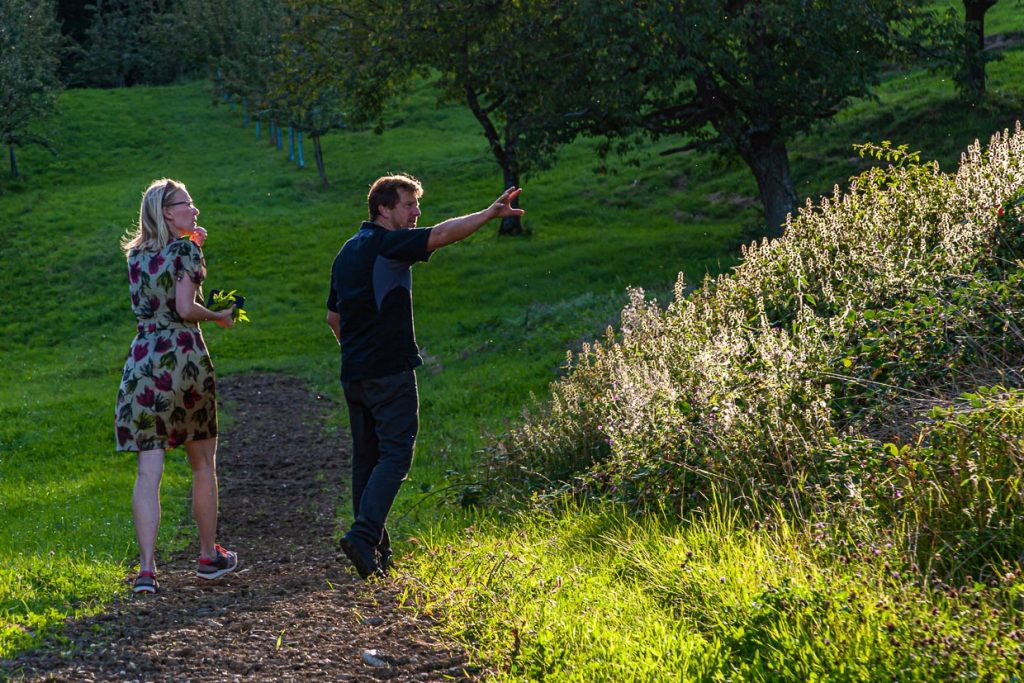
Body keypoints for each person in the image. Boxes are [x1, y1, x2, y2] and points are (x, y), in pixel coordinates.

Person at [326, 173, 523, 579]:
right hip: (388, 371)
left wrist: (360, 352)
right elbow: (443, 234)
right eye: (408, 205)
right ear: (383, 208)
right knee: (396, 455)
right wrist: (489, 214)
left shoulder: (346, 251)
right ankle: (364, 536)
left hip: (355, 373)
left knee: (368, 459)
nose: (416, 213)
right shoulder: (388, 243)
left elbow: (333, 318)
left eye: (417, 205)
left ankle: (376, 550)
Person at [114, 178, 239, 594]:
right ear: (168, 212)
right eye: (188, 203)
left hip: (142, 362)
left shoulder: (135, 254)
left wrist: (192, 243)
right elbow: (185, 309)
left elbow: (161, 287)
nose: (196, 209)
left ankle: (146, 571)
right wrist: (218, 316)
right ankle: (207, 556)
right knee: (202, 463)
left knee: (148, 471)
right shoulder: (186, 250)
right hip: (182, 360)